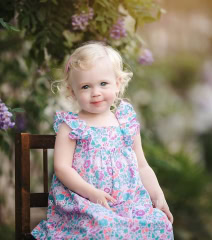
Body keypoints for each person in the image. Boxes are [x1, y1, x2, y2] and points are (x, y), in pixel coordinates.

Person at [32, 41, 174, 239]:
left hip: (128, 204)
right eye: (85, 86)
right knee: (105, 228)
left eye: (103, 84)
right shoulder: (72, 125)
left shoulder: (125, 121)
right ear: (72, 91)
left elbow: (142, 165)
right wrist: (92, 194)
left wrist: (158, 195)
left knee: (160, 225)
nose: (96, 92)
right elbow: (62, 168)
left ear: (118, 84)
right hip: (85, 204)